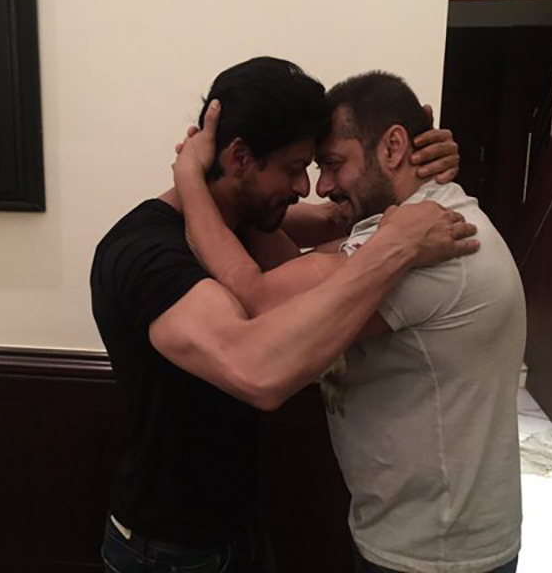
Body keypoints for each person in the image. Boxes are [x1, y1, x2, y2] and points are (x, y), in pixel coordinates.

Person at [91, 57, 477, 573]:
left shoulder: (245, 221)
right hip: (166, 551)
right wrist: (396, 245)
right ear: (239, 157)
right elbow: (255, 368)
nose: (304, 187)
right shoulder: (145, 254)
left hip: (240, 528)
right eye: (294, 169)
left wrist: (417, 163)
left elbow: (341, 213)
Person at [173, 70, 525, 573]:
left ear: (394, 147)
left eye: (333, 164)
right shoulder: (403, 226)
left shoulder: (430, 241)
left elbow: (262, 298)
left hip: (437, 552)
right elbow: (302, 281)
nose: (321, 185)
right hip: (421, 534)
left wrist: (191, 180)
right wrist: (243, 191)